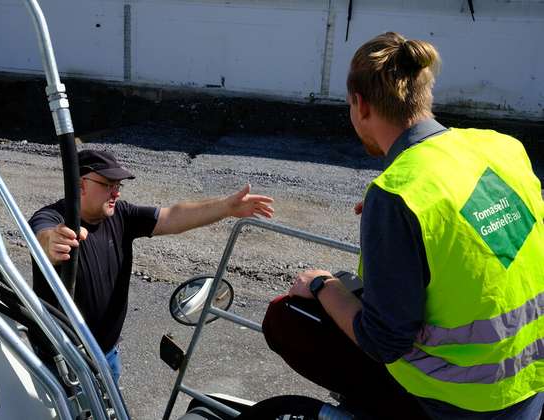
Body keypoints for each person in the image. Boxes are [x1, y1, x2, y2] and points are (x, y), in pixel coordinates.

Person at [262, 32, 544, 419]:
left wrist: (321, 284)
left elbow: (384, 341)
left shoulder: (398, 194)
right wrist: (397, 225)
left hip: (459, 398)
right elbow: (491, 237)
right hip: (528, 378)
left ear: (360, 106)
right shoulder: (502, 147)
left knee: (286, 318)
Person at [29, 149, 274, 383]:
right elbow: (42, 238)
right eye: (108, 185)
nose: (116, 193)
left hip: (107, 355)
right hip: (61, 360)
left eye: (118, 186)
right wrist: (51, 243)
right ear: (80, 184)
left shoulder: (120, 216)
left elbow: (172, 216)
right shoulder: (52, 218)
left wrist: (226, 207)